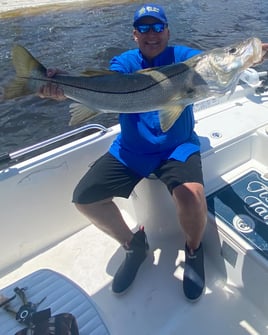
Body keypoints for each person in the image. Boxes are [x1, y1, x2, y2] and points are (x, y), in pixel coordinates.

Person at [40, 4, 268, 302]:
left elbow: (221, 66)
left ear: (168, 31)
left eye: (158, 27)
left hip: (177, 146)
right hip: (132, 149)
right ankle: (134, 245)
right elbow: (104, 82)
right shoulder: (124, 62)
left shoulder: (187, 59)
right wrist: (61, 83)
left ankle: (194, 250)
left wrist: (246, 57)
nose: (152, 34)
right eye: (144, 29)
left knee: (192, 196)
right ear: (135, 35)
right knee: (85, 198)